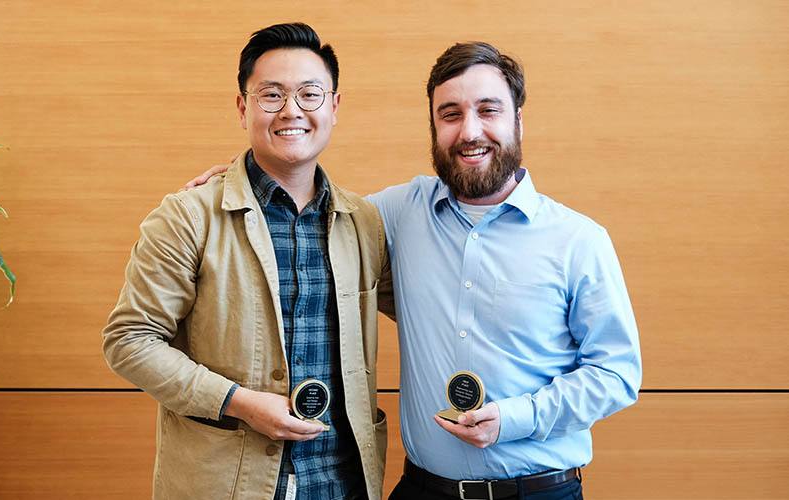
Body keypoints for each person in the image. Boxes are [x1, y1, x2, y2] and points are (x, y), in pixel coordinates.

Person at [188, 41, 641, 500]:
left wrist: (517, 418)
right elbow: (306, 209)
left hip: (540, 491)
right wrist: (238, 181)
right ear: (433, 127)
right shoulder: (396, 213)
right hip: (422, 489)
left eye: (488, 110)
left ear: (518, 120)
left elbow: (618, 374)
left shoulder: (578, 240)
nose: (470, 131)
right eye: (450, 114)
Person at [102, 23, 390, 500]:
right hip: (230, 484)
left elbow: (433, 304)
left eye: (310, 95)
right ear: (243, 107)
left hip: (344, 481)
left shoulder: (364, 222)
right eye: (271, 95)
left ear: (335, 107)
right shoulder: (189, 215)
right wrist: (238, 403)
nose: (291, 111)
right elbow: (129, 341)